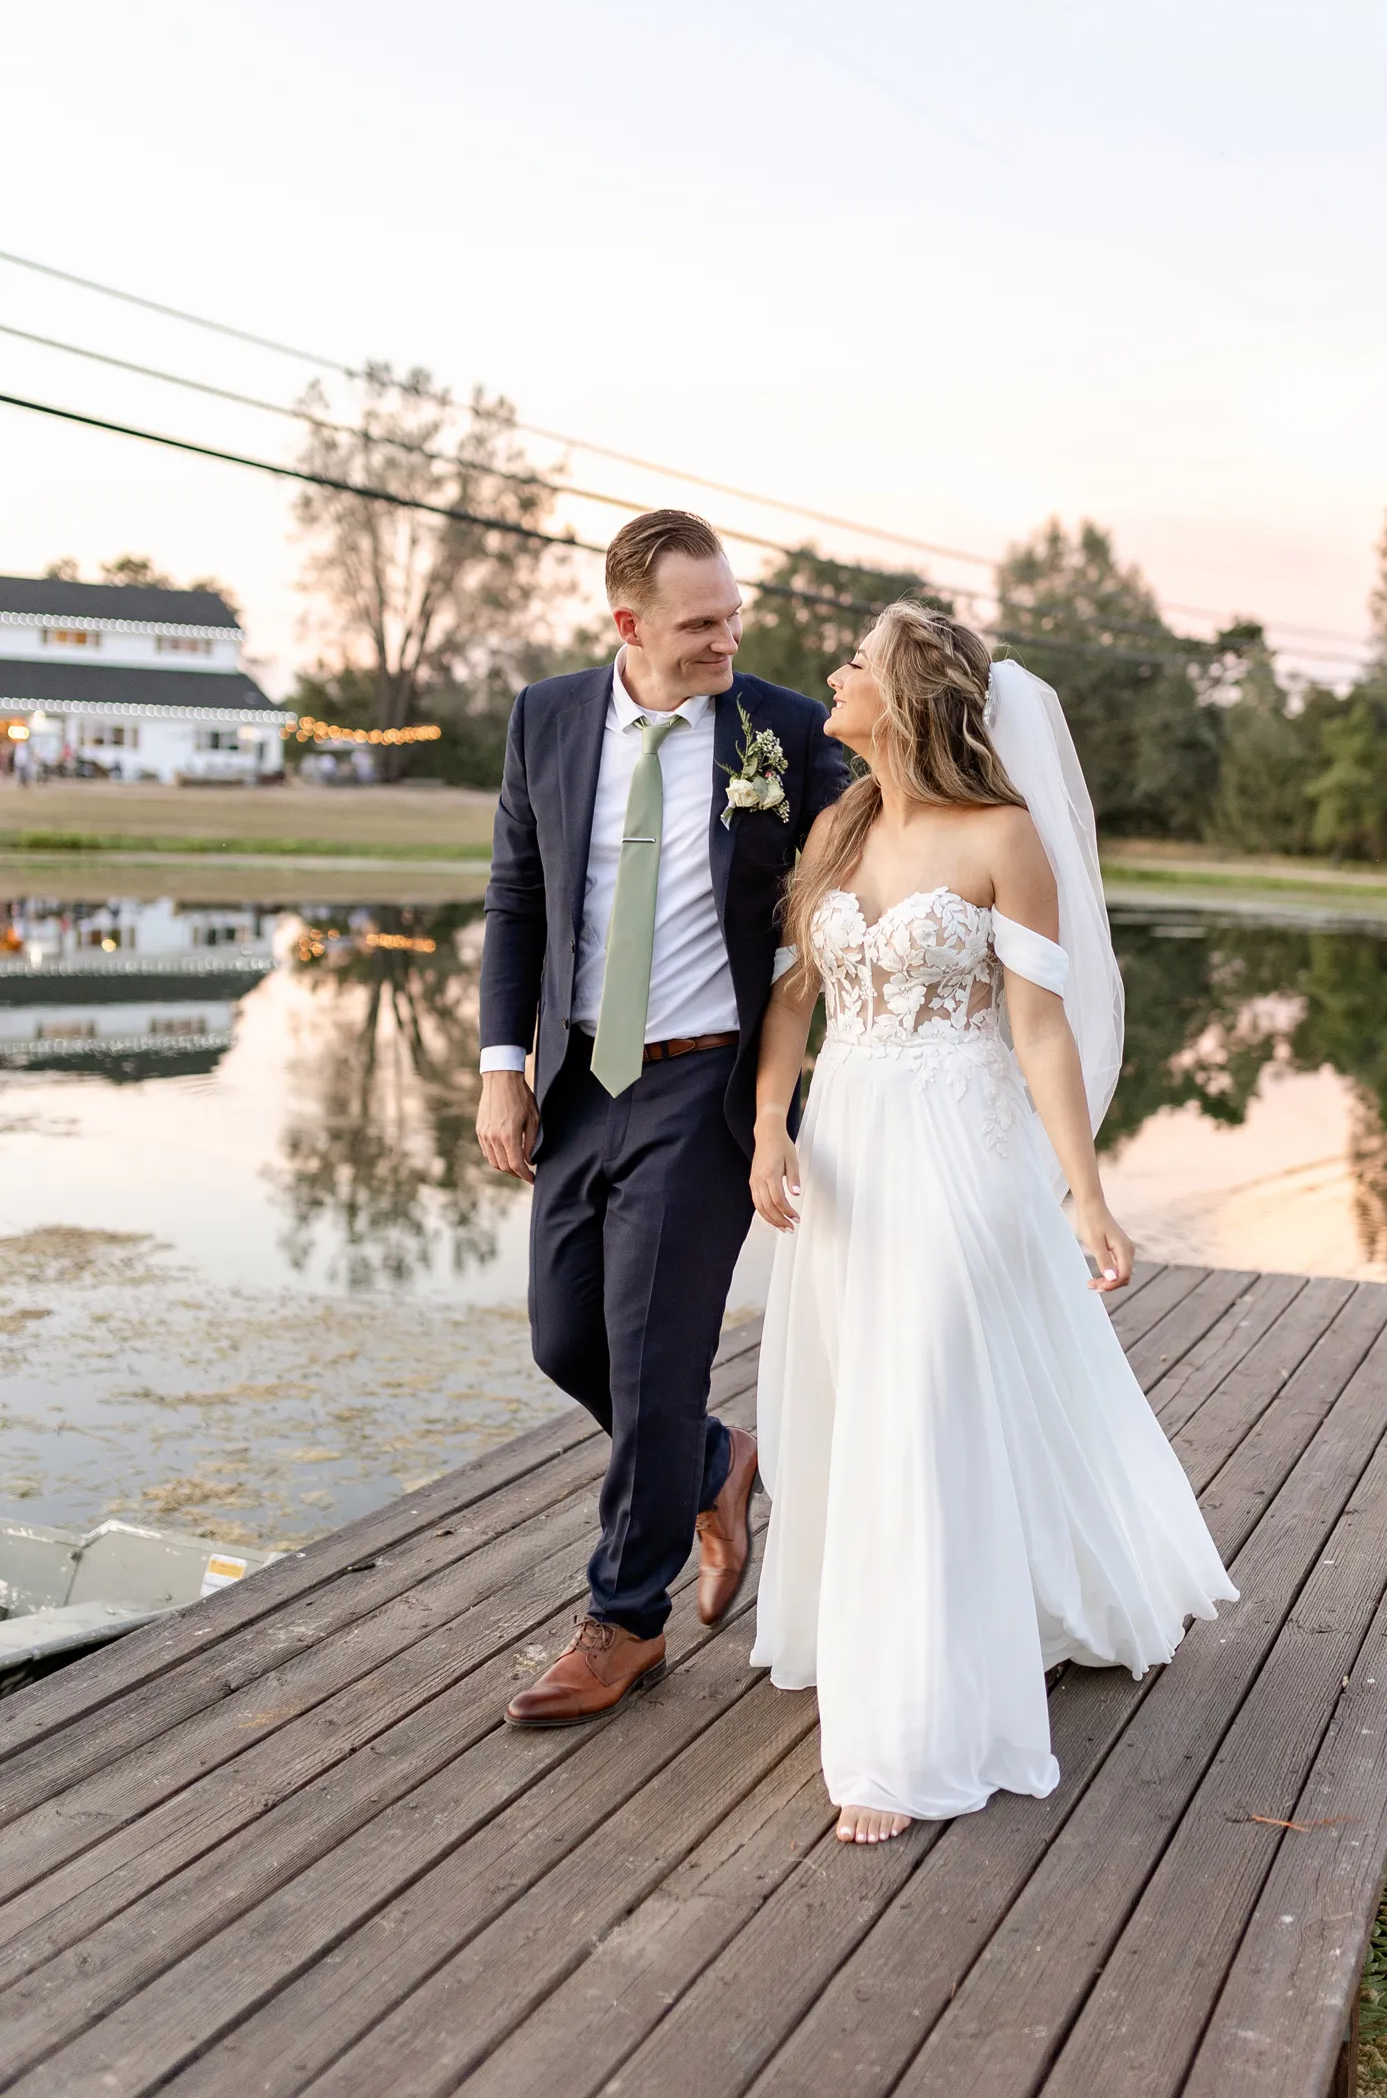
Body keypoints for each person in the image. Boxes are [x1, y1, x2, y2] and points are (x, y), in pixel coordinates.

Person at [748, 604, 1238, 1844]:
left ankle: (906, 1731)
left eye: (855, 661)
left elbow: (1039, 1028)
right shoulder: (836, 828)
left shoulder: (1004, 837)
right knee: (860, 1396)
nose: (835, 674)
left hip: (959, 1150)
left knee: (918, 1406)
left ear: (908, 696)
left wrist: (1085, 1190)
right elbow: (795, 1003)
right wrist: (769, 1124)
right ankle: (949, 1614)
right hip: (848, 1157)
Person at [477, 509, 851, 1725]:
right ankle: (713, 1462)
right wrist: (501, 1065)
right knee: (564, 1341)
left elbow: (873, 851)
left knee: (650, 1356)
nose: (726, 639)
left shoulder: (784, 732)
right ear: (627, 624)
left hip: (708, 1081)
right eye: (700, 623)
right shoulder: (546, 716)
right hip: (582, 1074)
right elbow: (518, 895)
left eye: (733, 614)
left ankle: (622, 1623)